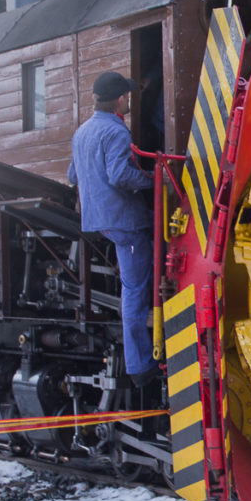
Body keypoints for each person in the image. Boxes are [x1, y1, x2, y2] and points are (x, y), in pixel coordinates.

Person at [68, 71, 159, 386]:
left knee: (133, 285)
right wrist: (154, 178)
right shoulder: (117, 131)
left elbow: (73, 175)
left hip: (100, 221)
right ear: (120, 99)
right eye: (128, 95)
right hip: (126, 223)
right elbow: (121, 176)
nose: (130, 99)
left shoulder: (82, 132)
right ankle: (140, 367)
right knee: (134, 290)